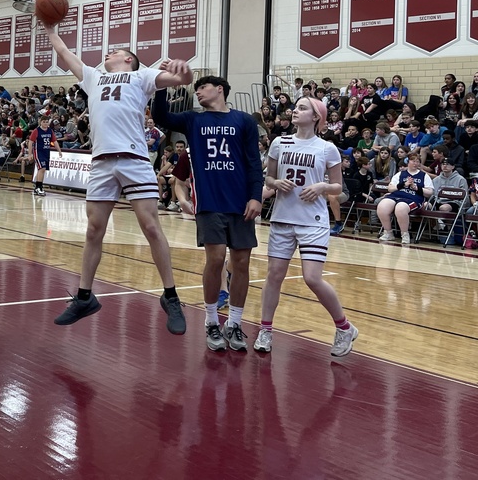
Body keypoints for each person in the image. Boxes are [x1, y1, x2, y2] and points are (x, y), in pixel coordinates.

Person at [44, 24, 192, 334]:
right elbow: (63, 52)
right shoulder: (93, 77)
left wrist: (184, 69)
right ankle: (84, 296)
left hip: (134, 159)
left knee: (151, 226)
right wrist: (50, 28)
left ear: (129, 60)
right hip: (101, 163)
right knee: (93, 230)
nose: (109, 52)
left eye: (117, 51)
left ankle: (171, 296)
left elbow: (180, 79)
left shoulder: (143, 75)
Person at [152, 74, 263, 352]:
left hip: (240, 202)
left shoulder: (244, 121)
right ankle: (211, 320)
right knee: (215, 259)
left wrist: (255, 197)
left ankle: (235, 323)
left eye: (203, 87)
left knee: (241, 263)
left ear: (220, 89)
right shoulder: (193, 119)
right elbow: (161, 115)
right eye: (196, 88)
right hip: (210, 202)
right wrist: (163, 84)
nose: (198, 91)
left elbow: (252, 163)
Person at [254, 97, 357, 357]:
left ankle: (344, 327)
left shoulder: (327, 148)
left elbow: (338, 187)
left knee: (312, 278)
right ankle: (265, 329)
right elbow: (268, 176)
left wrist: (322, 186)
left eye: (302, 108)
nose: (295, 111)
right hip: (282, 218)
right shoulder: (280, 142)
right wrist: (276, 184)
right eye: (295, 107)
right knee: (274, 275)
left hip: (313, 221)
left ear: (316, 117)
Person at [376, 150, 433, 244]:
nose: (415, 163)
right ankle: (388, 232)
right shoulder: (400, 174)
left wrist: (416, 187)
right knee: (382, 206)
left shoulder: (424, 175)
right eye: (413, 161)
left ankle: (405, 234)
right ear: (408, 162)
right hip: (396, 195)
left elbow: (430, 192)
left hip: (413, 198)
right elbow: (390, 188)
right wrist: (403, 185)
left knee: (400, 207)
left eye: (417, 161)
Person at [30, 114, 62, 197]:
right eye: (44, 122)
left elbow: (54, 141)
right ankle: (39, 187)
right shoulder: (36, 131)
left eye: (47, 122)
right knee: (42, 168)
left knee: (42, 170)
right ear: (41, 122)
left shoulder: (50, 131)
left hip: (46, 152)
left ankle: (37, 187)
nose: (45, 124)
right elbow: (30, 142)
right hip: (38, 152)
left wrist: (59, 151)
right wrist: (30, 154)